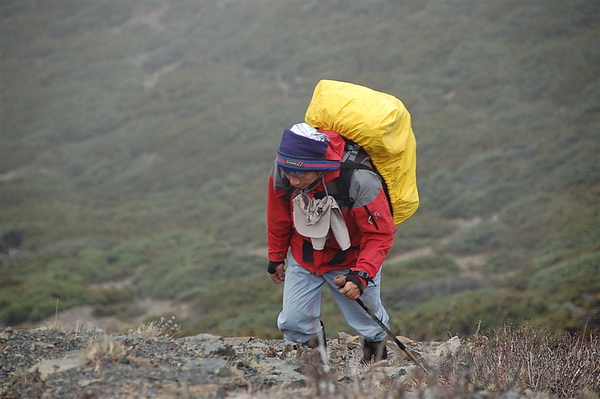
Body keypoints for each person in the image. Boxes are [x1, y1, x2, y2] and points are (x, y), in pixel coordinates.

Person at [266, 122, 396, 362]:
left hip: (351, 261)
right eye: (288, 173)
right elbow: (278, 214)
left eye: (300, 175)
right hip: (304, 255)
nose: (292, 181)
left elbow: (379, 234)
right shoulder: (285, 167)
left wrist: (362, 275)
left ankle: (376, 365)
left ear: (320, 169)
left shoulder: (360, 180)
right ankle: (317, 369)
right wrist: (276, 256)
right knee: (293, 322)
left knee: (367, 321)